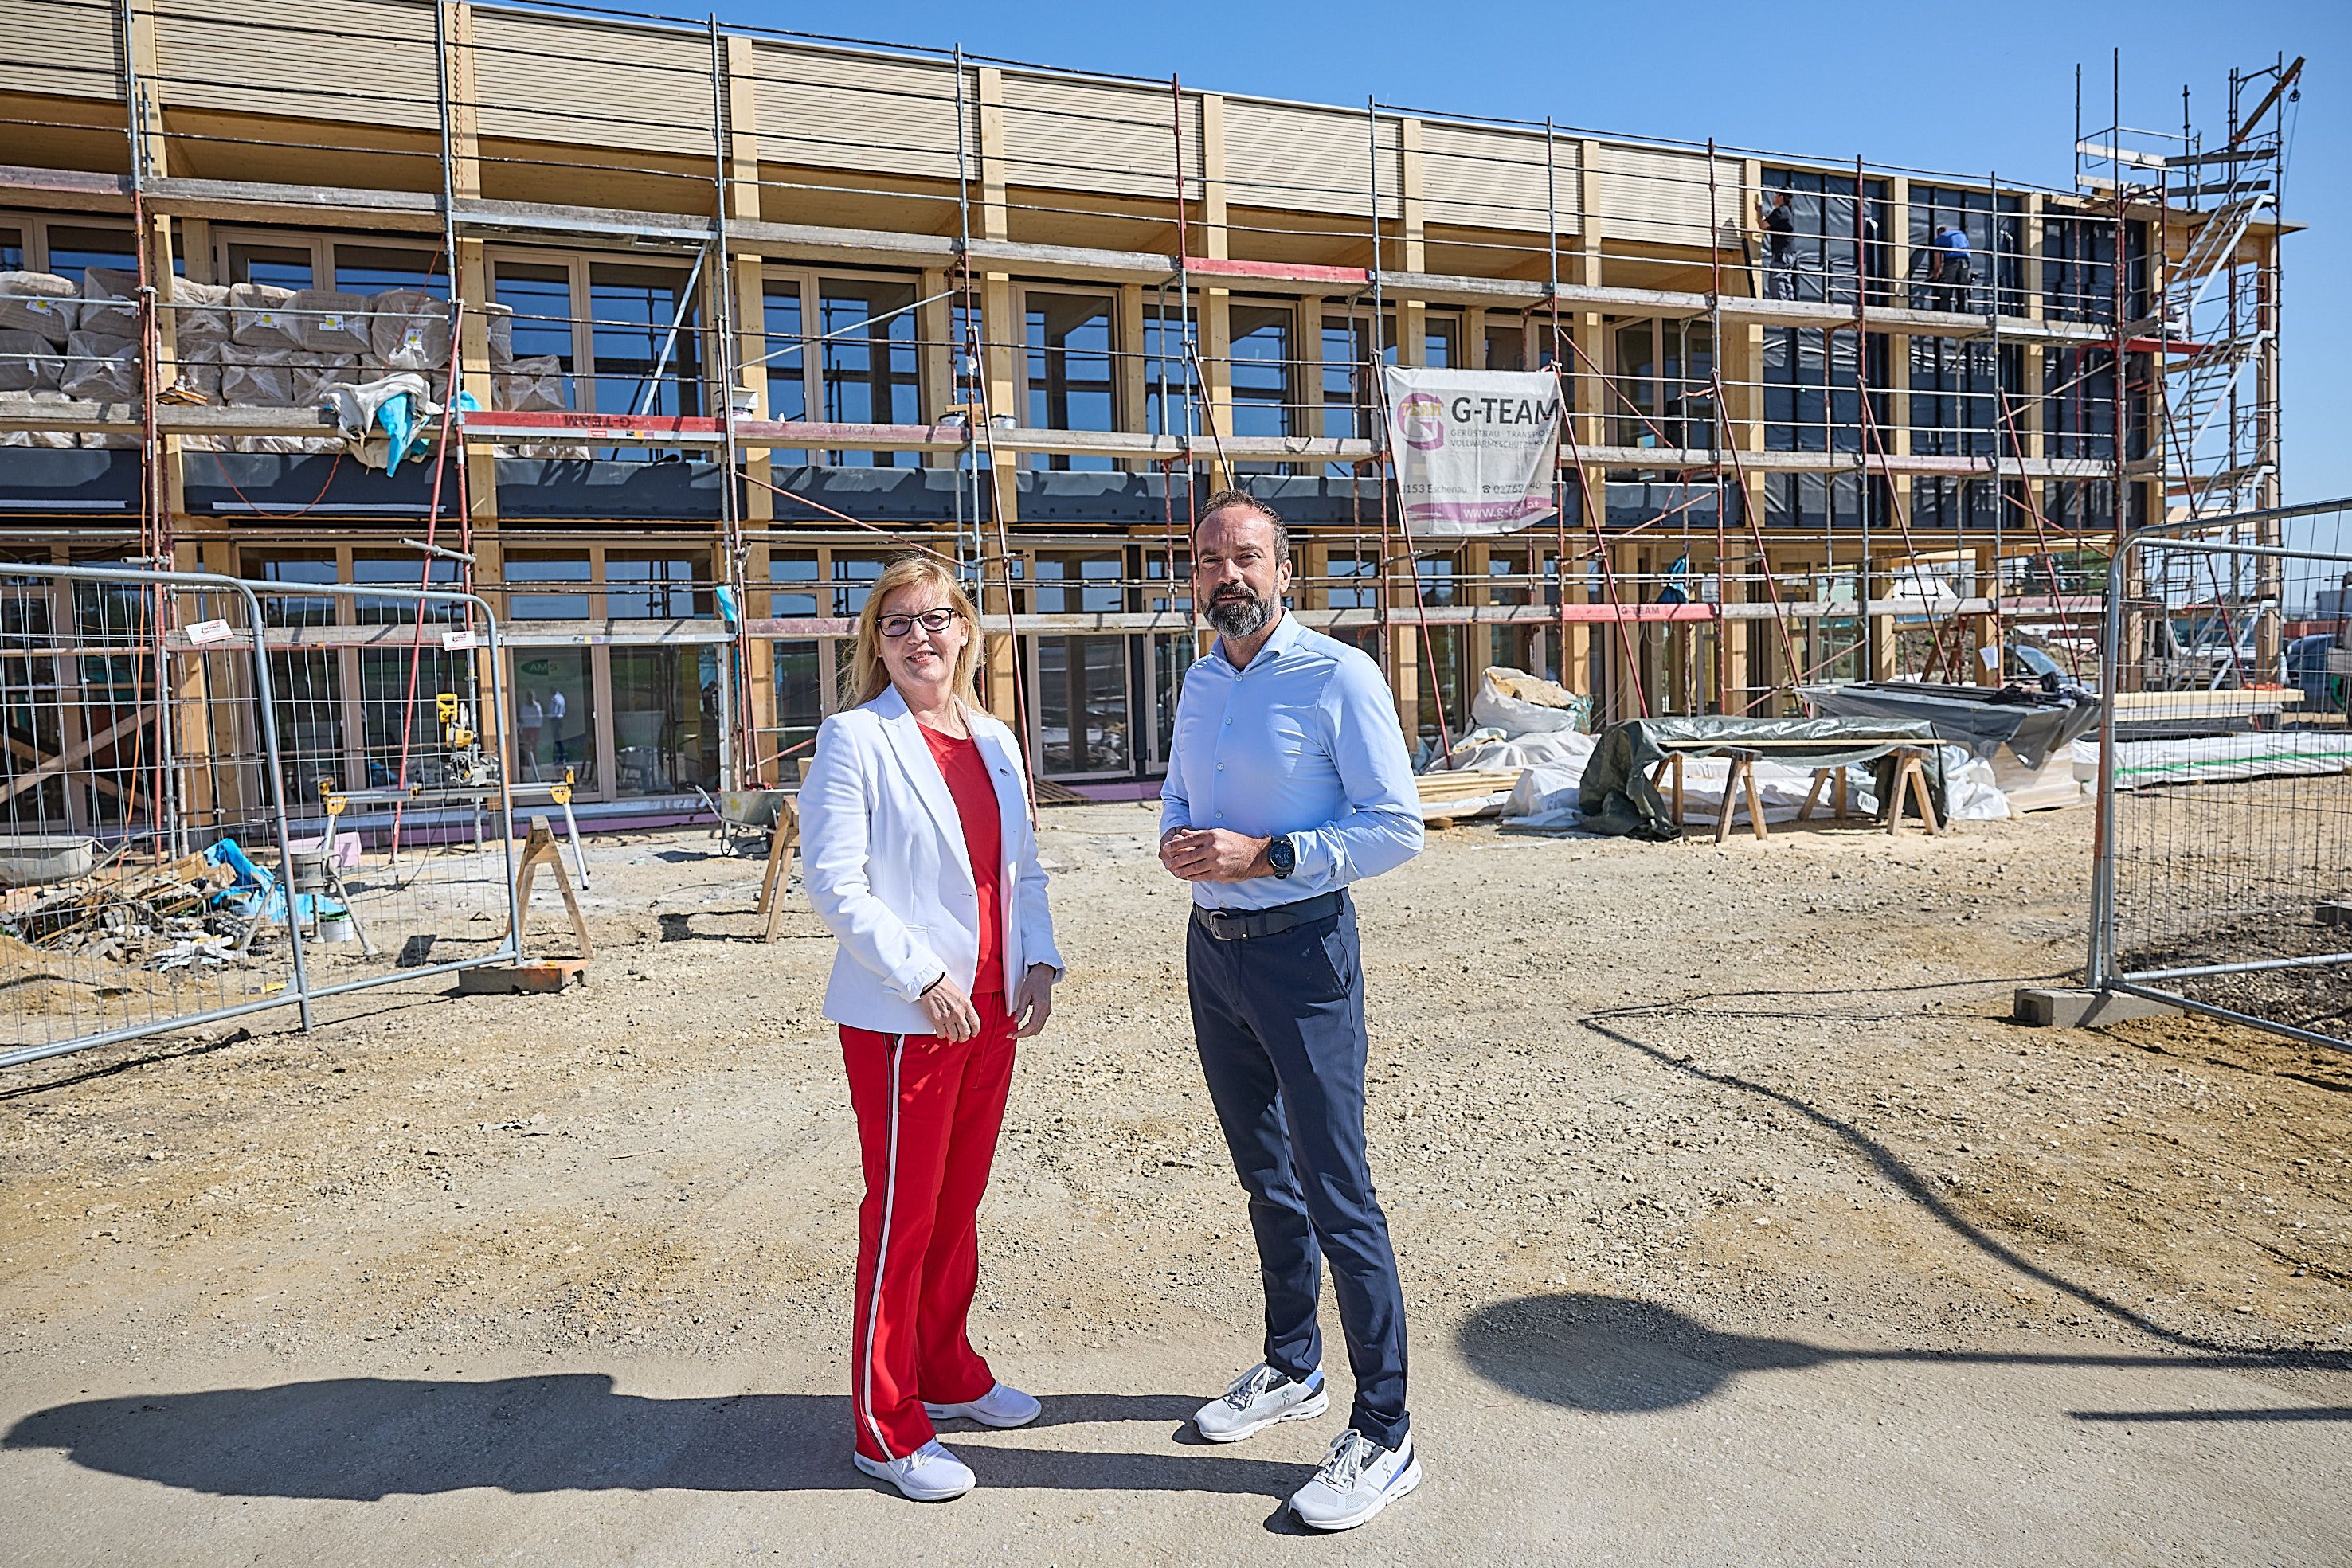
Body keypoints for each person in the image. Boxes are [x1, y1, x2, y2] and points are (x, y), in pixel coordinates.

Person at [1158, 491, 1425, 1532]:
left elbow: (1397, 827)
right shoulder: (1195, 679)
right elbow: (1183, 802)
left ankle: (1388, 1430)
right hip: (1212, 951)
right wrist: (1178, 839)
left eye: (1248, 557)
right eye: (1211, 558)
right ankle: (1291, 1365)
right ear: (1194, 575)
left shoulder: (1338, 675)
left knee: (1336, 1185)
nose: (1229, 573)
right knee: (1265, 1176)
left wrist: (1268, 856)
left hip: (1304, 953)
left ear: (1284, 572)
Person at [799, 553, 1066, 1504]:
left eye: (936, 617)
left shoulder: (994, 738)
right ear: (878, 640)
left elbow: (1021, 870)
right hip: (906, 1017)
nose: (921, 636)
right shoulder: (854, 738)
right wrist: (921, 976)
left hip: (992, 1011)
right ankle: (885, 1421)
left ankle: (945, 1368)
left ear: (966, 631)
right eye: (899, 622)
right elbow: (833, 882)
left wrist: (1038, 959)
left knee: (957, 1209)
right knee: (904, 1214)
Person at [1760, 190, 1798, 301]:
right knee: (1786, 277)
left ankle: (1780, 302)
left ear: (1781, 197)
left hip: (1783, 252)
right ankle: (1789, 301)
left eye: (1776, 196)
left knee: (1777, 277)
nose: (1774, 198)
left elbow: (1763, 225)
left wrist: (1759, 212)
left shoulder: (1780, 212)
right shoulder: (1786, 212)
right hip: (1789, 251)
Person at [1931, 221, 1974, 313]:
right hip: (1966, 261)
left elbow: (1937, 260)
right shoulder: (1960, 234)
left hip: (1952, 261)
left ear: (1939, 232)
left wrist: (1936, 275)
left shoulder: (1942, 237)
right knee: (1963, 288)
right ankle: (1963, 311)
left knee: (1946, 287)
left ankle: (1945, 310)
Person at [515, 689, 543, 776]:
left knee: (534, 745)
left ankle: (535, 761)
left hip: (535, 727)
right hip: (526, 727)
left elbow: (540, 717)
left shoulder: (537, 706)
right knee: (526, 745)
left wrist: (538, 725)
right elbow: (521, 716)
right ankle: (527, 761)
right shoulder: (524, 706)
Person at [546, 684, 569, 765]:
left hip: (555, 719)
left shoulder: (555, 699)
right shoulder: (561, 697)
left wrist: (549, 717)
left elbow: (554, 711)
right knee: (559, 739)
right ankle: (561, 756)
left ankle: (562, 757)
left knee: (557, 739)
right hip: (560, 718)